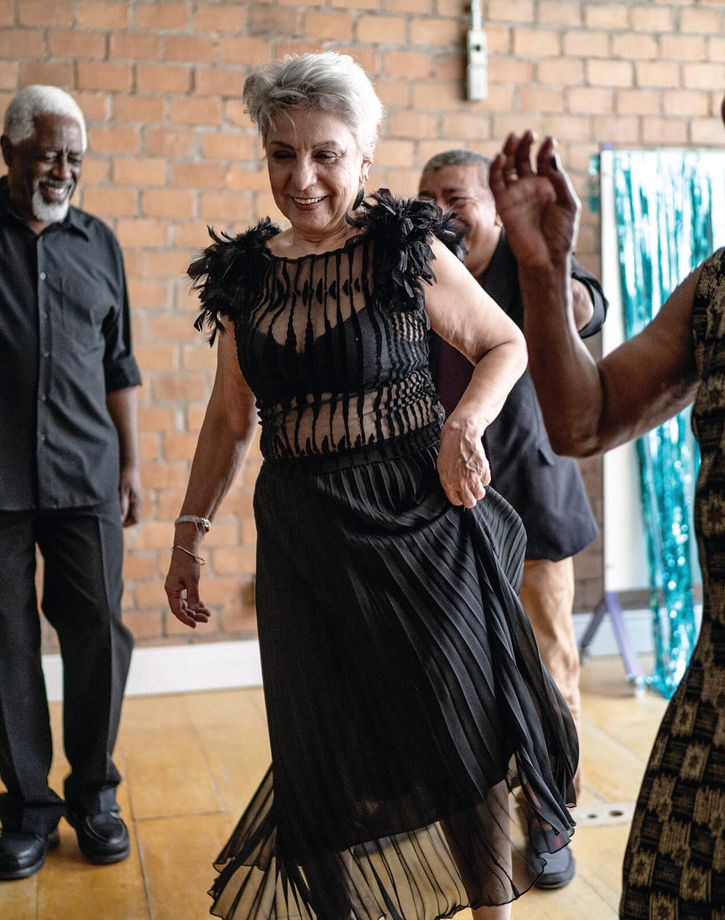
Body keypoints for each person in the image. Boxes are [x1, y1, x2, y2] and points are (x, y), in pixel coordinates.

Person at [165, 52, 578, 920]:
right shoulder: (246, 277)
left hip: (418, 522)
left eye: (324, 153)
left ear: (362, 154)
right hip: (303, 535)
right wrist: (187, 535)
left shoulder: (404, 248)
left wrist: (462, 422)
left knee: (460, 720)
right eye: (282, 154)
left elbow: (504, 344)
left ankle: (492, 910)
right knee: (321, 742)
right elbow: (230, 419)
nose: (302, 177)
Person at [488, 104, 724, 919]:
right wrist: (542, 271)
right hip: (718, 687)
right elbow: (581, 422)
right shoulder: (717, 288)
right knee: (663, 885)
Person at [418, 150, 608, 888]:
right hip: (443, 513)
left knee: (548, 670)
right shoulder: (420, 272)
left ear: (494, 208)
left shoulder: (530, 269)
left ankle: (551, 818)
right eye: (428, 197)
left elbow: (584, 306)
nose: (441, 209)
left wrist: (549, 272)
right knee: (461, 674)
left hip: (533, 508)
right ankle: (476, 818)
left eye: (456, 196)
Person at [0, 85, 142, 879]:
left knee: (98, 637)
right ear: (9, 153)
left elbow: (119, 363)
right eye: (49, 155)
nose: (63, 171)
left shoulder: (99, 243)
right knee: (6, 645)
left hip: (87, 476)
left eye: (76, 158)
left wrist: (129, 463)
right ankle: (25, 808)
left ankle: (94, 794)